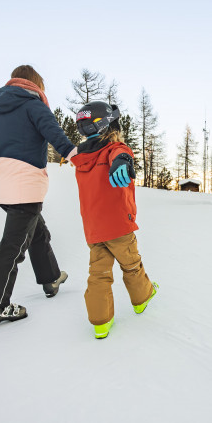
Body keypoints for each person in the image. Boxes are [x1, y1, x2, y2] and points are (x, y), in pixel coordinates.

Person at [0, 65, 77, 330]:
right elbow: (56, 136)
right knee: (13, 246)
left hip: (0, 184)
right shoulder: (34, 104)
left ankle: (51, 278)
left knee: (36, 230)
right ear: (35, 84)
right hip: (25, 182)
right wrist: (81, 158)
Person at [70, 100, 158, 339]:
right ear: (109, 126)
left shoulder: (81, 160)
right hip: (118, 226)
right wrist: (122, 160)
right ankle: (142, 298)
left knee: (99, 274)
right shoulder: (115, 149)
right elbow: (120, 153)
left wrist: (120, 160)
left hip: (94, 229)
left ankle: (100, 322)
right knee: (131, 264)